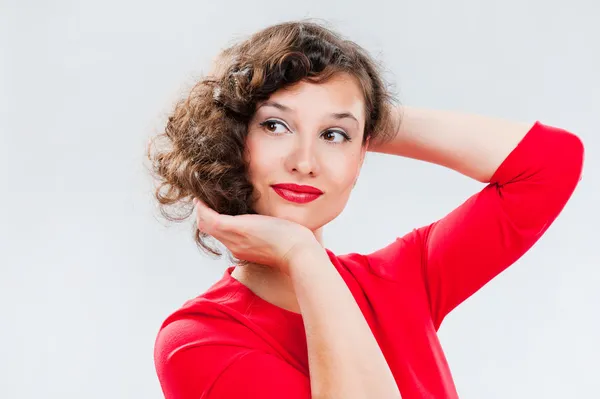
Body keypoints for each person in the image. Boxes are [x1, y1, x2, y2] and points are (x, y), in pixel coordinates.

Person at [147, 20, 584, 399]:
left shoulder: (400, 281)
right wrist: (302, 255)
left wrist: (365, 113)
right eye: (275, 125)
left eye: (333, 136)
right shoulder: (199, 340)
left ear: (361, 156)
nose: (304, 161)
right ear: (233, 137)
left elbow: (550, 163)